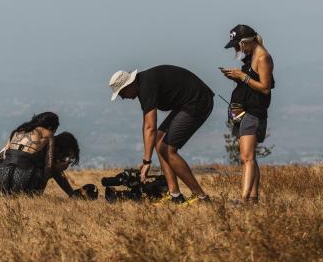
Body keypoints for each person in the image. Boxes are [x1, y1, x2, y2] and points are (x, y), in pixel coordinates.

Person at [109, 65, 214, 205]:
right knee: (159, 141)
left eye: (121, 93)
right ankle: (175, 195)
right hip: (187, 102)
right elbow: (147, 125)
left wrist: (146, 162)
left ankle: (201, 197)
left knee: (167, 148)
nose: (122, 98)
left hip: (198, 101)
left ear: (129, 85)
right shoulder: (142, 85)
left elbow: (150, 127)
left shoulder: (146, 86)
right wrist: (146, 158)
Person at [220, 24, 275, 204]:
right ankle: (253, 198)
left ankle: (243, 200)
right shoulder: (250, 57)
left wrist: (242, 77)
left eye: (238, 45)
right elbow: (250, 83)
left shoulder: (263, 58)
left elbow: (265, 88)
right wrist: (236, 76)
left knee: (246, 158)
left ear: (246, 42)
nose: (236, 49)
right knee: (249, 157)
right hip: (241, 111)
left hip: (254, 112)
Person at [0, 112, 59, 195]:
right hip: (24, 176)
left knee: (5, 194)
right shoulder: (48, 134)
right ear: (52, 126)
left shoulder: (17, 131)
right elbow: (49, 164)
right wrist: (41, 187)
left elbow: (4, 154)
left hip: (2, 175)